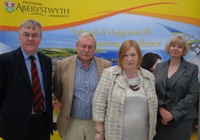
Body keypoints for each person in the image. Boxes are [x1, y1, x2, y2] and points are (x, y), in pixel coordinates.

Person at [93, 40, 158, 140]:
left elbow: (153, 106)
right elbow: (99, 103)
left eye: (133, 55)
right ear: (120, 57)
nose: (129, 59)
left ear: (139, 56)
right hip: (116, 135)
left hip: (142, 135)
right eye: (125, 55)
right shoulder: (109, 74)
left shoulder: (149, 77)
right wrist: (100, 131)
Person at [0, 19, 53, 140]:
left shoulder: (46, 61)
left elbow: (47, 90)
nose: (30, 39)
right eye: (26, 34)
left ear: (40, 38)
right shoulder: (4, 61)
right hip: (15, 126)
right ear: (19, 37)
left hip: (42, 124)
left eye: (35, 35)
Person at [53, 32, 111, 140]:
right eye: (83, 46)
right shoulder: (62, 65)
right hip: (71, 122)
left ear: (95, 49)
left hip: (97, 123)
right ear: (77, 46)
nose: (86, 50)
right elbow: (58, 91)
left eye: (90, 47)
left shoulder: (106, 66)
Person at [153, 35, 199, 140]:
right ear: (169, 48)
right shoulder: (159, 67)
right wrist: (161, 110)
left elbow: (192, 95)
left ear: (184, 50)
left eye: (179, 46)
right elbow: (153, 91)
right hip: (160, 120)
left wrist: (172, 114)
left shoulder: (192, 69)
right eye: (173, 45)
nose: (175, 49)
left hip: (182, 120)